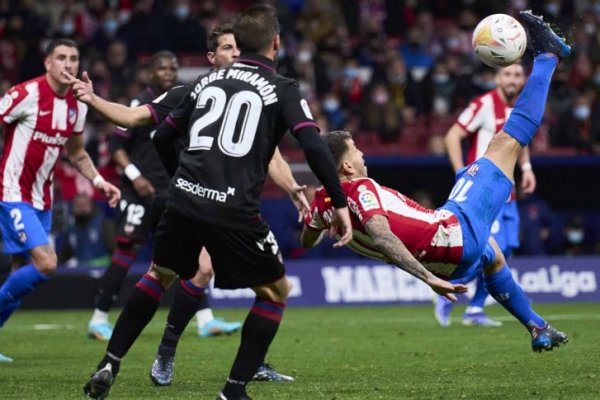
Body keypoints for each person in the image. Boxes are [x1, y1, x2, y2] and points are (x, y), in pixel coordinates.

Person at [82, 5, 352, 399]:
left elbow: (159, 137)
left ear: (238, 45)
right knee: (275, 293)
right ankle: (234, 389)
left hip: (184, 202)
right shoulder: (282, 87)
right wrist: (339, 200)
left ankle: (110, 362)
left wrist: (182, 180)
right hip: (233, 209)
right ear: (276, 43)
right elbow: (311, 142)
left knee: (159, 275)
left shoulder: (203, 83)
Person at [302, 11, 570, 355]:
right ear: (346, 167)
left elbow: (308, 240)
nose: (363, 155)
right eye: (356, 151)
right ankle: (549, 55)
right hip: (450, 234)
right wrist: (426, 279)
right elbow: (382, 236)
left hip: (449, 255)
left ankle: (538, 328)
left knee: (493, 255)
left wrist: (311, 219)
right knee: (506, 143)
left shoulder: (324, 203)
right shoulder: (360, 188)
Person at [86, 49, 242, 344]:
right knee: (125, 254)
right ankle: (98, 318)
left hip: (171, 190)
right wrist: (135, 176)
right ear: (150, 73)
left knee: (190, 254)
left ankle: (205, 320)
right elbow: (117, 147)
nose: (169, 73)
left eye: (173, 68)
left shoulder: (185, 99)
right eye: (162, 68)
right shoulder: (138, 102)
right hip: (139, 192)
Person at [0, 38, 120, 363]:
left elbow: (77, 152)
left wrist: (98, 180)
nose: (68, 64)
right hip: (12, 194)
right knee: (47, 263)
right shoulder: (26, 94)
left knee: (21, 272)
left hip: (43, 200)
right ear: (48, 63)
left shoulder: (78, 103)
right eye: (61, 58)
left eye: (73, 58)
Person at [435, 62, 537, 327]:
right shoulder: (484, 104)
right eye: (507, 74)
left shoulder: (519, 108)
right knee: (489, 249)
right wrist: (461, 172)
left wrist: (526, 168)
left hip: (508, 191)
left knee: (508, 248)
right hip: (485, 192)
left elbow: (519, 142)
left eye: (517, 75)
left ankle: (475, 309)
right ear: (497, 78)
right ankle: (448, 290)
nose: (513, 79)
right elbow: (452, 136)